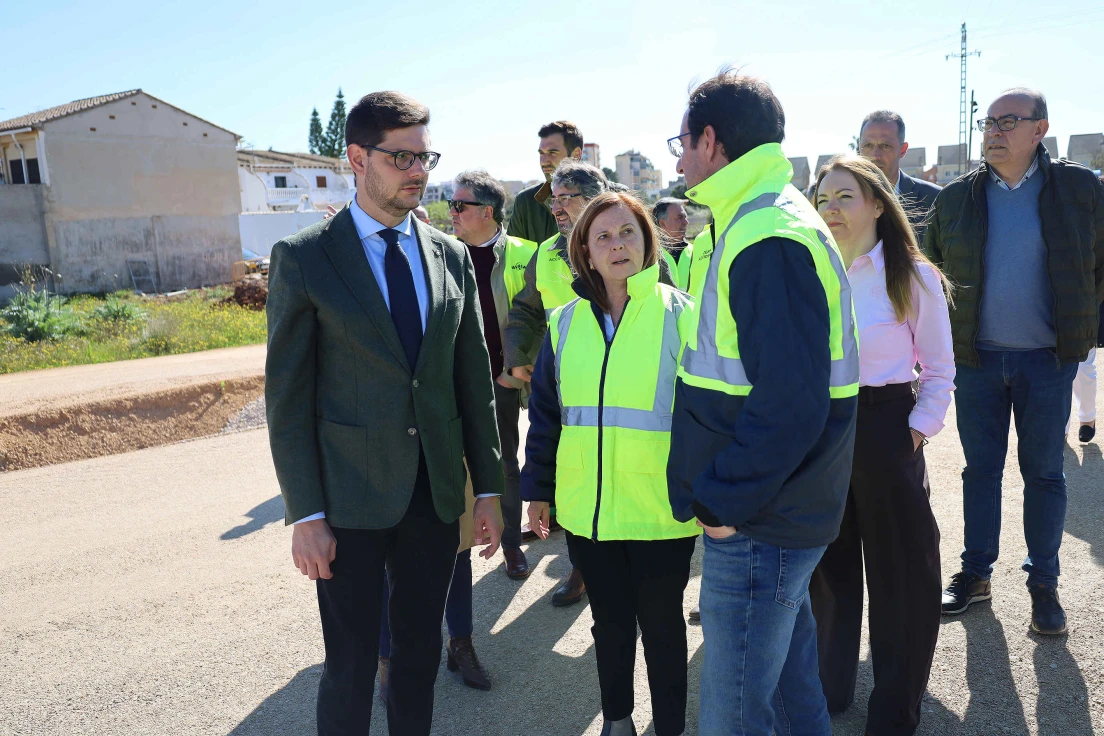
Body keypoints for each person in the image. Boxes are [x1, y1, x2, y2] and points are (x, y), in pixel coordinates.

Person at [265, 91, 505, 736]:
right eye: (400, 157)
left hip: (433, 496)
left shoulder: (449, 255)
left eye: (424, 155)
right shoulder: (307, 257)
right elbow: (286, 400)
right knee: (347, 666)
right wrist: (305, 514)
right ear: (357, 158)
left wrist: (487, 488)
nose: (418, 171)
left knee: (420, 656)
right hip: (347, 503)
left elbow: (472, 382)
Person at [666, 70, 859, 735]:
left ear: (712, 140)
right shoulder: (761, 215)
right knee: (789, 689)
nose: (680, 157)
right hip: (775, 511)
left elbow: (792, 402)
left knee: (735, 713)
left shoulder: (766, 233)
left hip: (759, 519)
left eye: (682, 142)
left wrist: (722, 502)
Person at [522, 190, 700, 736]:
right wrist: (539, 490)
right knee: (610, 626)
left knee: (664, 628)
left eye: (628, 232)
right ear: (585, 251)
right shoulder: (564, 323)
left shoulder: (683, 316)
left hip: (660, 511)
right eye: (603, 236)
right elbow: (547, 416)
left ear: (649, 242)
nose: (616, 245)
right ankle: (617, 723)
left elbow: (708, 417)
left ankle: (669, 726)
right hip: (589, 511)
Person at [928, 88, 1104, 635]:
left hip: (1047, 363)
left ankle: (1044, 586)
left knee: (1045, 475)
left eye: (1009, 121)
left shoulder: (1078, 189)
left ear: (1040, 129)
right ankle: (976, 574)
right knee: (980, 471)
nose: (994, 131)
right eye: (989, 122)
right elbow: (930, 272)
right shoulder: (956, 198)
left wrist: (1082, 331)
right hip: (977, 363)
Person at [810, 155, 955, 735]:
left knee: (901, 578)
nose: (832, 209)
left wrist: (917, 430)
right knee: (830, 569)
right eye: (823, 199)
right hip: (825, 430)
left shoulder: (911, 274)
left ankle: (895, 710)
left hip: (887, 425)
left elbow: (941, 368)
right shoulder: (815, 271)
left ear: (876, 203)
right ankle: (831, 688)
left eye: (844, 196)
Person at [505, 160, 677, 607]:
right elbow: (526, 310)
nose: (558, 207)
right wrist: (519, 355)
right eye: (554, 199)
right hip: (571, 398)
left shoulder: (668, 298)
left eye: (567, 198)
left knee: (658, 620)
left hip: (651, 483)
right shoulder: (548, 261)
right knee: (610, 618)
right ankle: (581, 571)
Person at [858, 110, 941, 241]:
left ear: (902, 150)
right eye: (868, 145)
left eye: (885, 146)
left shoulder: (934, 200)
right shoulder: (843, 200)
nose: (875, 155)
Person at [507, 120, 583, 246]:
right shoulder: (526, 202)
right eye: (541, 153)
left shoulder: (610, 196)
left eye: (552, 153)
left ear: (576, 154)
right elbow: (513, 259)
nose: (544, 161)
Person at [1067, 299, 1104, 442]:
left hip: (1086, 303)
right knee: (1053, 369)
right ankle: (1061, 427)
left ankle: (1087, 419)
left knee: (1082, 369)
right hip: (1052, 304)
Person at [652, 197, 693, 290]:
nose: (686, 222)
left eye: (685, 217)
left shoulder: (697, 251)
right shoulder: (649, 256)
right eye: (679, 218)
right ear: (662, 223)